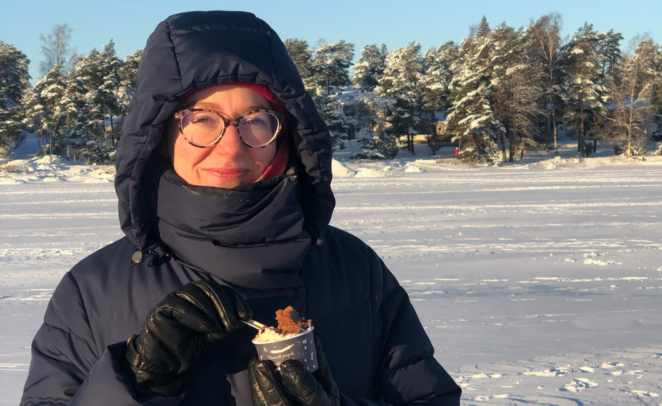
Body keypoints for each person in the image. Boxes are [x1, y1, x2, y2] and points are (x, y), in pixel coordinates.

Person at [19, 10, 461, 406]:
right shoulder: (92, 290)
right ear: (158, 136)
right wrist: (133, 385)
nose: (230, 148)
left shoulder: (356, 271)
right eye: (201, 119)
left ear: (287, 133)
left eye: (255, 120)